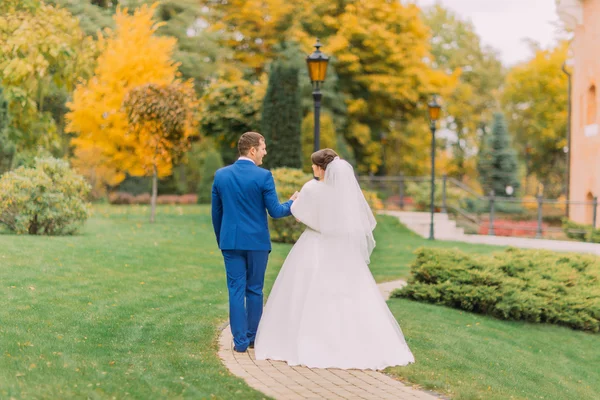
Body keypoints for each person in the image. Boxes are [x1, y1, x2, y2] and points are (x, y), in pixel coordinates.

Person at [254, 149, 415, 369]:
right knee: (346, 293)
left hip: (313, 244)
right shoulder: (344, 195)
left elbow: (299, 213)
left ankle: (303, 339)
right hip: (340, 249)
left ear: (322, 168)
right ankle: (351, 342)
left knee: (303, 289)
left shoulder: (311, 188)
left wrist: (298, 203)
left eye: (314, 165)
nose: (312, 168)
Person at [211, 131, 298, 353]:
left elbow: (216, 214)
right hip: (257, 243)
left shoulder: (221, 176)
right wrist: (292, 202)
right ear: (252, 150)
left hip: (230, 242)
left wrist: (223, 239)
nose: (265, 152)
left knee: (235, 290)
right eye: (263, 148)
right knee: (255, 290)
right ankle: (251, 339)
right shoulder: (263, 176)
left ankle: (239, 342)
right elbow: (276, 212)